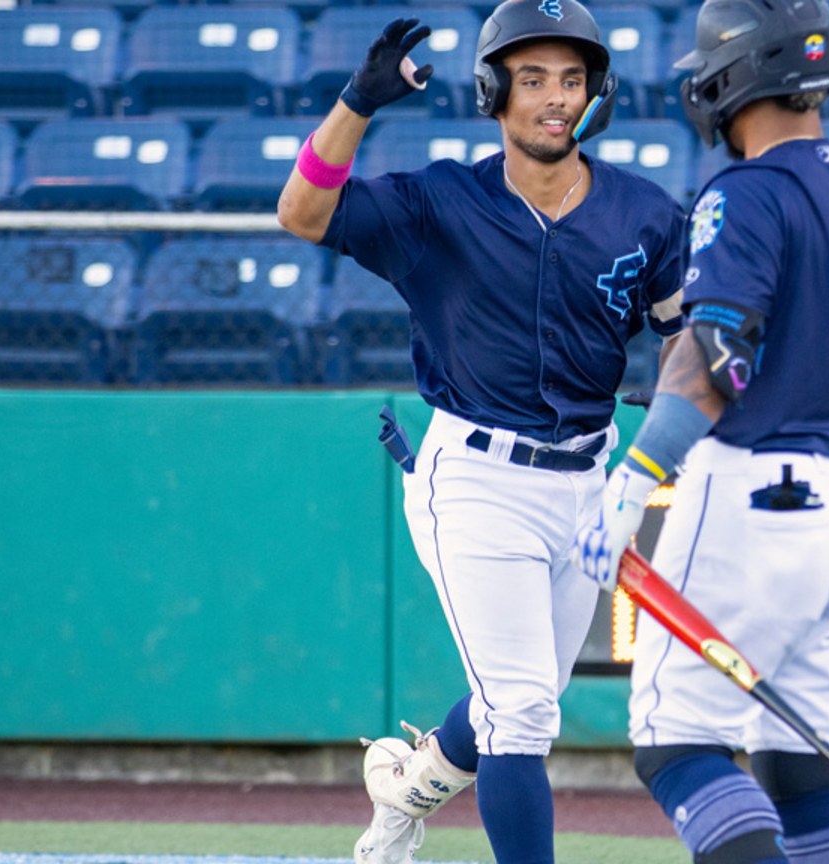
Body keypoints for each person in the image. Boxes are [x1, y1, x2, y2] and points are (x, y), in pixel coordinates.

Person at [275, 2, 688, 863]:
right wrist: (358, 100)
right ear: (493, 91)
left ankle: (407, 784)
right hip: (475, 478)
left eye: (572, 80)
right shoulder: (438, 201)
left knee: (516, 697)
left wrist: (669, 424)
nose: (554, 99)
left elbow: (682, 332)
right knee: (527, 709)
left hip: (590, 481)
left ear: (596, 93)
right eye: (531, 78)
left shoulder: (645, 214)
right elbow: (302, 213)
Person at [573, 0, 829, 862]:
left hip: (760, 495)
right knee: (797, 767)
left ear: (732, 77)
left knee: (677, 742)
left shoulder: (748, 192)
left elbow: (719, 348)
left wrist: (636, 477)